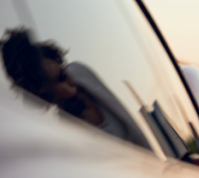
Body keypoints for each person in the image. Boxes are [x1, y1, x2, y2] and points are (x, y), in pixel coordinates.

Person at [0, 27, 150, 149]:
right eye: (55, 85)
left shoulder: (81, 74)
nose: (70, 85)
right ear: (44, 95)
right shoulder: (67, 136)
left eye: (63, 75)